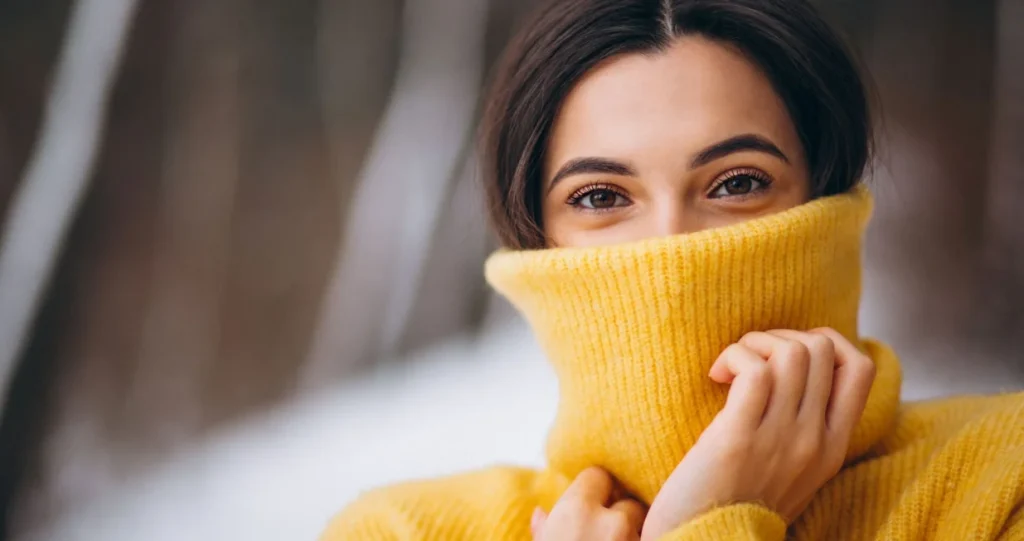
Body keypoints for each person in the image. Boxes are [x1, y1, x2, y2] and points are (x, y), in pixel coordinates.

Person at [322, 0, 1024, 539]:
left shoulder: (1003, 481)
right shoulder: (402, 529)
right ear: (535, 239)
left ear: (829, 200)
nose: (670, 245)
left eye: (736, 182)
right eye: (600, 197)